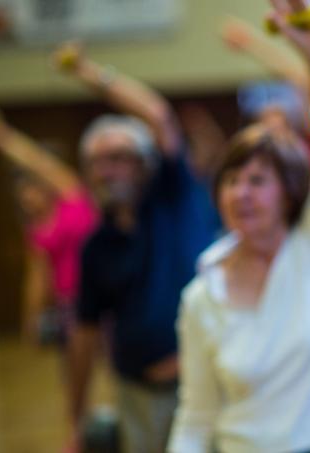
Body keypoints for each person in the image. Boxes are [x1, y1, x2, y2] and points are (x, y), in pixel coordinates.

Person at [168, 1, 310, 451]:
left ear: (287, 191)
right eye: (231, 180)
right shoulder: (201, 293)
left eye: (257, 181)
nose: (241, 192)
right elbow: (196, 414)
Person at [53, 42, 220, 453]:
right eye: (98, 161)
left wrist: (89, 73)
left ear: (146, 163)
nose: (109, 170)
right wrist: (77, 418)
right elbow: (85, 335)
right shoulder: (96, 247)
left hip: (208, 386)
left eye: (120, 157)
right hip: (138, 394)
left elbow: (159, 116)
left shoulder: (172, 197)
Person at [0, 104, 98, 346]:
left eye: (32, 190)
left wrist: (2, 137)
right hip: (69, 302)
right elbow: (36, 277)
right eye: (22, 194)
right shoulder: (36, 230)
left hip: (101, 292)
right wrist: (30, 318)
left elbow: (42, 164)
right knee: (74, 367)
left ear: (45, 189)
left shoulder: (72, 199)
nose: (27, 198)